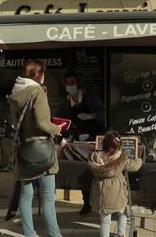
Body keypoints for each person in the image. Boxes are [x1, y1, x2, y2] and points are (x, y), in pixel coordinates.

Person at [9, 59, 65, 237]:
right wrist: (57, 129)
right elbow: (42, 122)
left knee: (26, 196)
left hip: (25, 149)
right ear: (38, 74)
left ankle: (29, 234)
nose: (44, 76)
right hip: (42, 150)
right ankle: (54, 235)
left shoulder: (15, 93)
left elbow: (15, 122)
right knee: (48, 196)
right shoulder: (38, 93)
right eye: (43, 73)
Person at [56, 73, 106, 214]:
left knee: (98, 170)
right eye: (68, 83)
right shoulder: (65, 104)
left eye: (73, 82)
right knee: (82, 171)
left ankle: (102, 201)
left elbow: (102, 113)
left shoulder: (91, 98)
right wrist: (63, 137)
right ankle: (87, 202)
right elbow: (59, 122)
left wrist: (91, 116)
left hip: (95, 139)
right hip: (77, 141)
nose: (70, 85)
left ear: (78, 83)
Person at [88, 131, 142, 237]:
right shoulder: (121, 159)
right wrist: (139, 159)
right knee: (123, 213)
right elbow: (135, 166)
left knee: (105, 221)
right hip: (117, 193)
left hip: (101, 193)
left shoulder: (95, 156)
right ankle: (121, 234)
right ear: (118, 146)